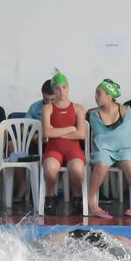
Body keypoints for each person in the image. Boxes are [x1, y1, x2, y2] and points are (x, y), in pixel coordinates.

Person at [85, 78, 131, 218]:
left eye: (99, 93)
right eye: (95, 93)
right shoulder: (94, 115)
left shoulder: (126, 110)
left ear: (109, 95)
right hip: (104, 149)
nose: (95, 97)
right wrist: (116, 137)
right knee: (100, 165)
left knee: (129, 165)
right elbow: (101, 136)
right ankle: (91, 200)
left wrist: (113, 137)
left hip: (125, 148)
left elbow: (123, 134)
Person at [40, 72, 87, 214]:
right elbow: (47, 132)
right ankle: (50, 196)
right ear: (53, 90)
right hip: (53, 150)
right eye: (58, 89)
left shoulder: (78, 108)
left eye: (64, 88)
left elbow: (81, 134)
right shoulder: (48, 108)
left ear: (68, 88)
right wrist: (70, 129)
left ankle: (77, 197)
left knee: (78, 171)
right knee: (50, 170)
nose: (61, 92)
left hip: (74, 150)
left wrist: (57, 132)